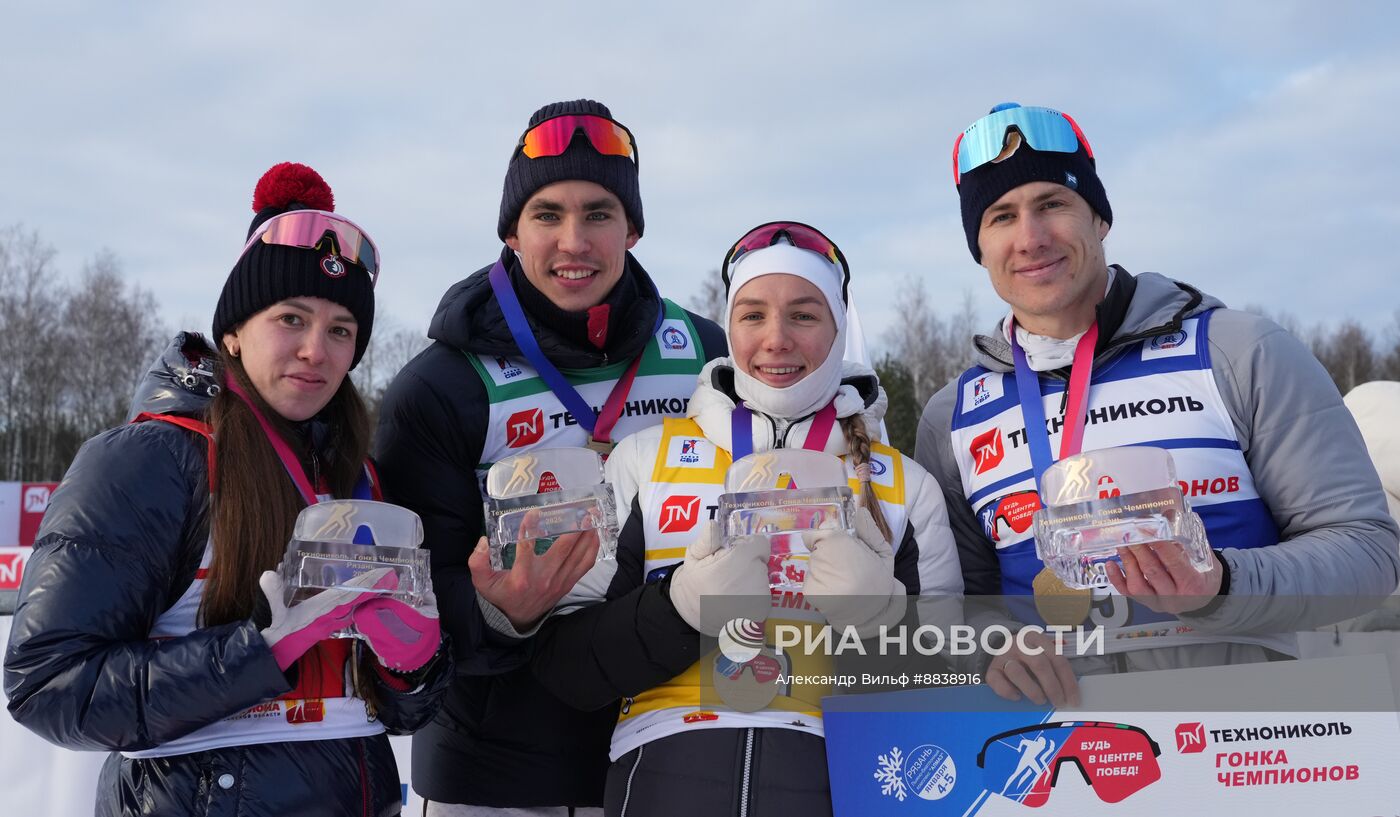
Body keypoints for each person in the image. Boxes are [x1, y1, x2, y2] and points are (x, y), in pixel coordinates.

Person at [3, 162, 453, 816]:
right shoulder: (151, 459)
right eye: (291, 318)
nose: (315, 350)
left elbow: (397, 712)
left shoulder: (360, 475)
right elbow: (46, 684)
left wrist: (411, 664)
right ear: (235, 332)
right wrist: (256, 651)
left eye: (340, 331)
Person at [915, 103, 1400, 705]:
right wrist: (990, 646)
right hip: (1055, 755)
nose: (1030, 237)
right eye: (1001, 216)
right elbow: (957, 601)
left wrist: (1221, 585)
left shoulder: (1237, 351)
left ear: (1099, 218)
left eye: (1053, 205)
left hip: (1243, 743)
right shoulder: (952, 415)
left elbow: (1368, 550)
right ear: (979, 247)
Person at [528, 221, 963, 816]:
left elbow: (951, 683)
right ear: (729, 327)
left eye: (804, 315)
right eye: (753, 315)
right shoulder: (645, 460)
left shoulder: (904, 485)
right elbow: (567, 667)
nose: (776, 339)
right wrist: (676, 609)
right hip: (662, 774)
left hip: (841, 776)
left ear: (840, 330)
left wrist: (881, 624)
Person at [374, 99, 726, 814]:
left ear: (633, 226)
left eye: (599, 213)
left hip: (675, 748)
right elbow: (405, 601)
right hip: (496, 772)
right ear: (511, 229)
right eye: (547, 214)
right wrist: (497, 613)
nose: (576, 241)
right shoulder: (441, 385)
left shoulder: (709, 359)